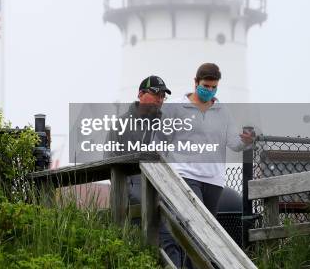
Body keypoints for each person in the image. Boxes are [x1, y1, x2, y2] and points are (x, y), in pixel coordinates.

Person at [161, 63, 254, 268]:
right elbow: (161, 139)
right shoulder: (176, 107)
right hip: (185, 174)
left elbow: (233, 143)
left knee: (206, 232)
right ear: (195, 82)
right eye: (206, 86)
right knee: (193, 224)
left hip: (213, 178)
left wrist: (245, 141)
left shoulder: (223, 111)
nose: (209, 90)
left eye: (213, 87)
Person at [104, 75, 172, 214]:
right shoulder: (120, 124)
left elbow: (171, 161)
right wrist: (130, 192)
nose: (159, 100)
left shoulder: (166, 126)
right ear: (141, 94)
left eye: (163, 96)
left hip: (159, 203)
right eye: (156, 94)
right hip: (126, 204)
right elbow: (109, 160)